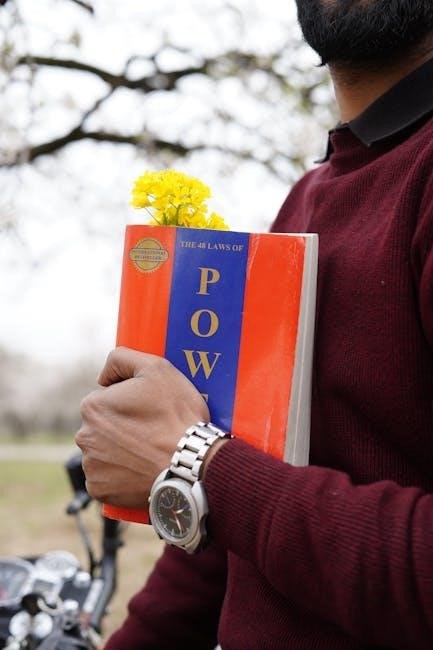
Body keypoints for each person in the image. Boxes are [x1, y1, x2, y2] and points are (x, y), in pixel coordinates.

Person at [76, 0, 433, 647]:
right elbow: (227, 537)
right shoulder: (309, 195)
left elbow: (231, 486)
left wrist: (194, 463)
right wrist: (201, 471)